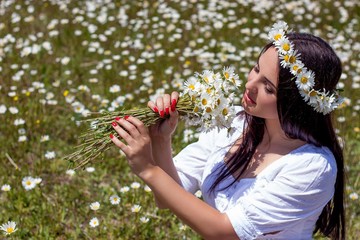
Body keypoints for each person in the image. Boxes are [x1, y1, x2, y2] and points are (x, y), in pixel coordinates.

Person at [109, 22, 345, 239]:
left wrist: (148, 168)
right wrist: (161, 140)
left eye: (268, 88)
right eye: (255, 69)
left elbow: (223, 231)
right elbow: (166, 197)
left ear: (296, 103)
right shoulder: (233, 123)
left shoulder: (312, 167)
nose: (250, 85)